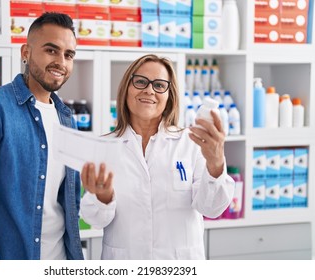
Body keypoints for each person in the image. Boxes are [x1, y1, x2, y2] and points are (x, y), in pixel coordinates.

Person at [0, 12, 84, 260]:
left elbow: (68, 204)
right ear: (26, 53)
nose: (61, 62)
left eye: (68, 55)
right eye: (51, 51)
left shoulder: (67, 119)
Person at [80, 54, 235, 260]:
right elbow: (94, 219)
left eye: (159, 85)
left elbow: (212, 208)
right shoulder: (104, 147)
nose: (149, 90)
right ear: (126, 88)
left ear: (169, 96)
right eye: (141, 82)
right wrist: (104, 197)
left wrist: (216, 164)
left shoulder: (190, 143)